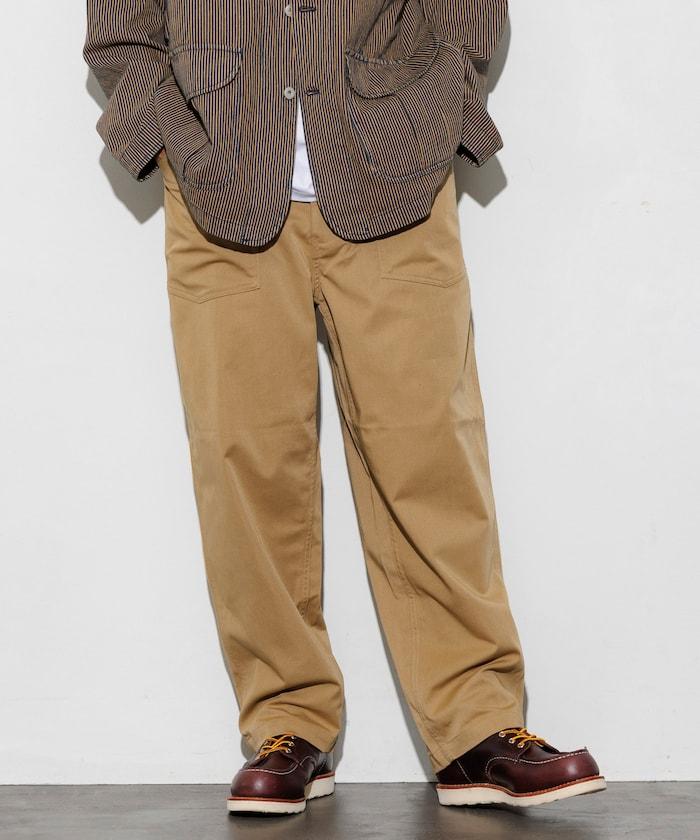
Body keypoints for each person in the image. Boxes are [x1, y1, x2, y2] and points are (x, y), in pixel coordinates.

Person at [84, 0, 606, 815]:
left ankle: (475, 726)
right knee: (245, 456)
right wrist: (172, 138)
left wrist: (442, 95)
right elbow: (121, 25)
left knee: (430, 448)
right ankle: (287, 724)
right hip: (220, 174)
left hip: (393, 170)